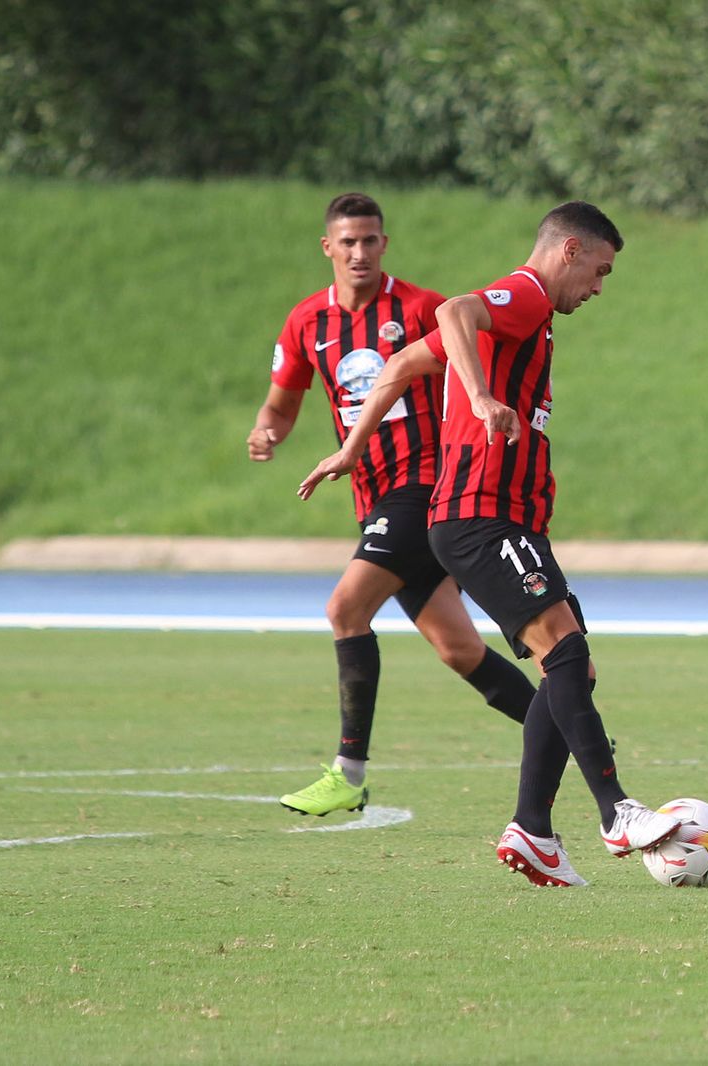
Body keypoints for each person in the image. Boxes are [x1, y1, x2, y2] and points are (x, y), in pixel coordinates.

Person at [299, 201, 678, 887]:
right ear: (568, 251)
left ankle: (533, 829)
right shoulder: (527, 294)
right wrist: (476, 396)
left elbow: (402, 365)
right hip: (481, 513)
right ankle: (616, 811)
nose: (597, 288)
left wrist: (350, 447)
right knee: (564, 652)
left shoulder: (522, 322)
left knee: (570, 670)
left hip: (504, 517)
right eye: (599, 270)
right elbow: (452, 314)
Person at [249, 192, 540, 817]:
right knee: (459, 650)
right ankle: (575, 731)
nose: (360, 252)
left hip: (426, 482)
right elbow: (283, 398)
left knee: (345, 608)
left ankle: (348, 772)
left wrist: (482, 403)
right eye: (348, 242)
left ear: (385, 244)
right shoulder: (306, 322)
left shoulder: (420, 308)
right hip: (373, 495)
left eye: (371, 240)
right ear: (328, 247)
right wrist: (266, 430)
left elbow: (466, 359)